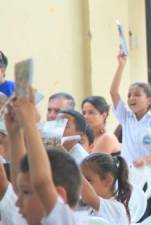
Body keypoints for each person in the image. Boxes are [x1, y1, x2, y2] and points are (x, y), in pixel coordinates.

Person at [5, 89, 86, 225]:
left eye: (25, 193)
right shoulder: (30, 218)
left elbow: (41, 182)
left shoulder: (65, 221)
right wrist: (14, 133)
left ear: (59, 196)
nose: (17, 202)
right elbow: (22, 180)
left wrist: (29, 123)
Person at [110, 50, 151, 218]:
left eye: (137, 94)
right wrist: (121, 65)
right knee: (135, 217)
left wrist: (145, 160)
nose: (131, 98)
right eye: (129, 95)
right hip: (132, 179)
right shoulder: (126, 118)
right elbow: (114, 93)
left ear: (150, 100)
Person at [80, 153, 131, 225]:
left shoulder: (116, 208)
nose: (81, 185)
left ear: (107, 181)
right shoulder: (86, 205)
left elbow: (89, 197)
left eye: (88, 180)